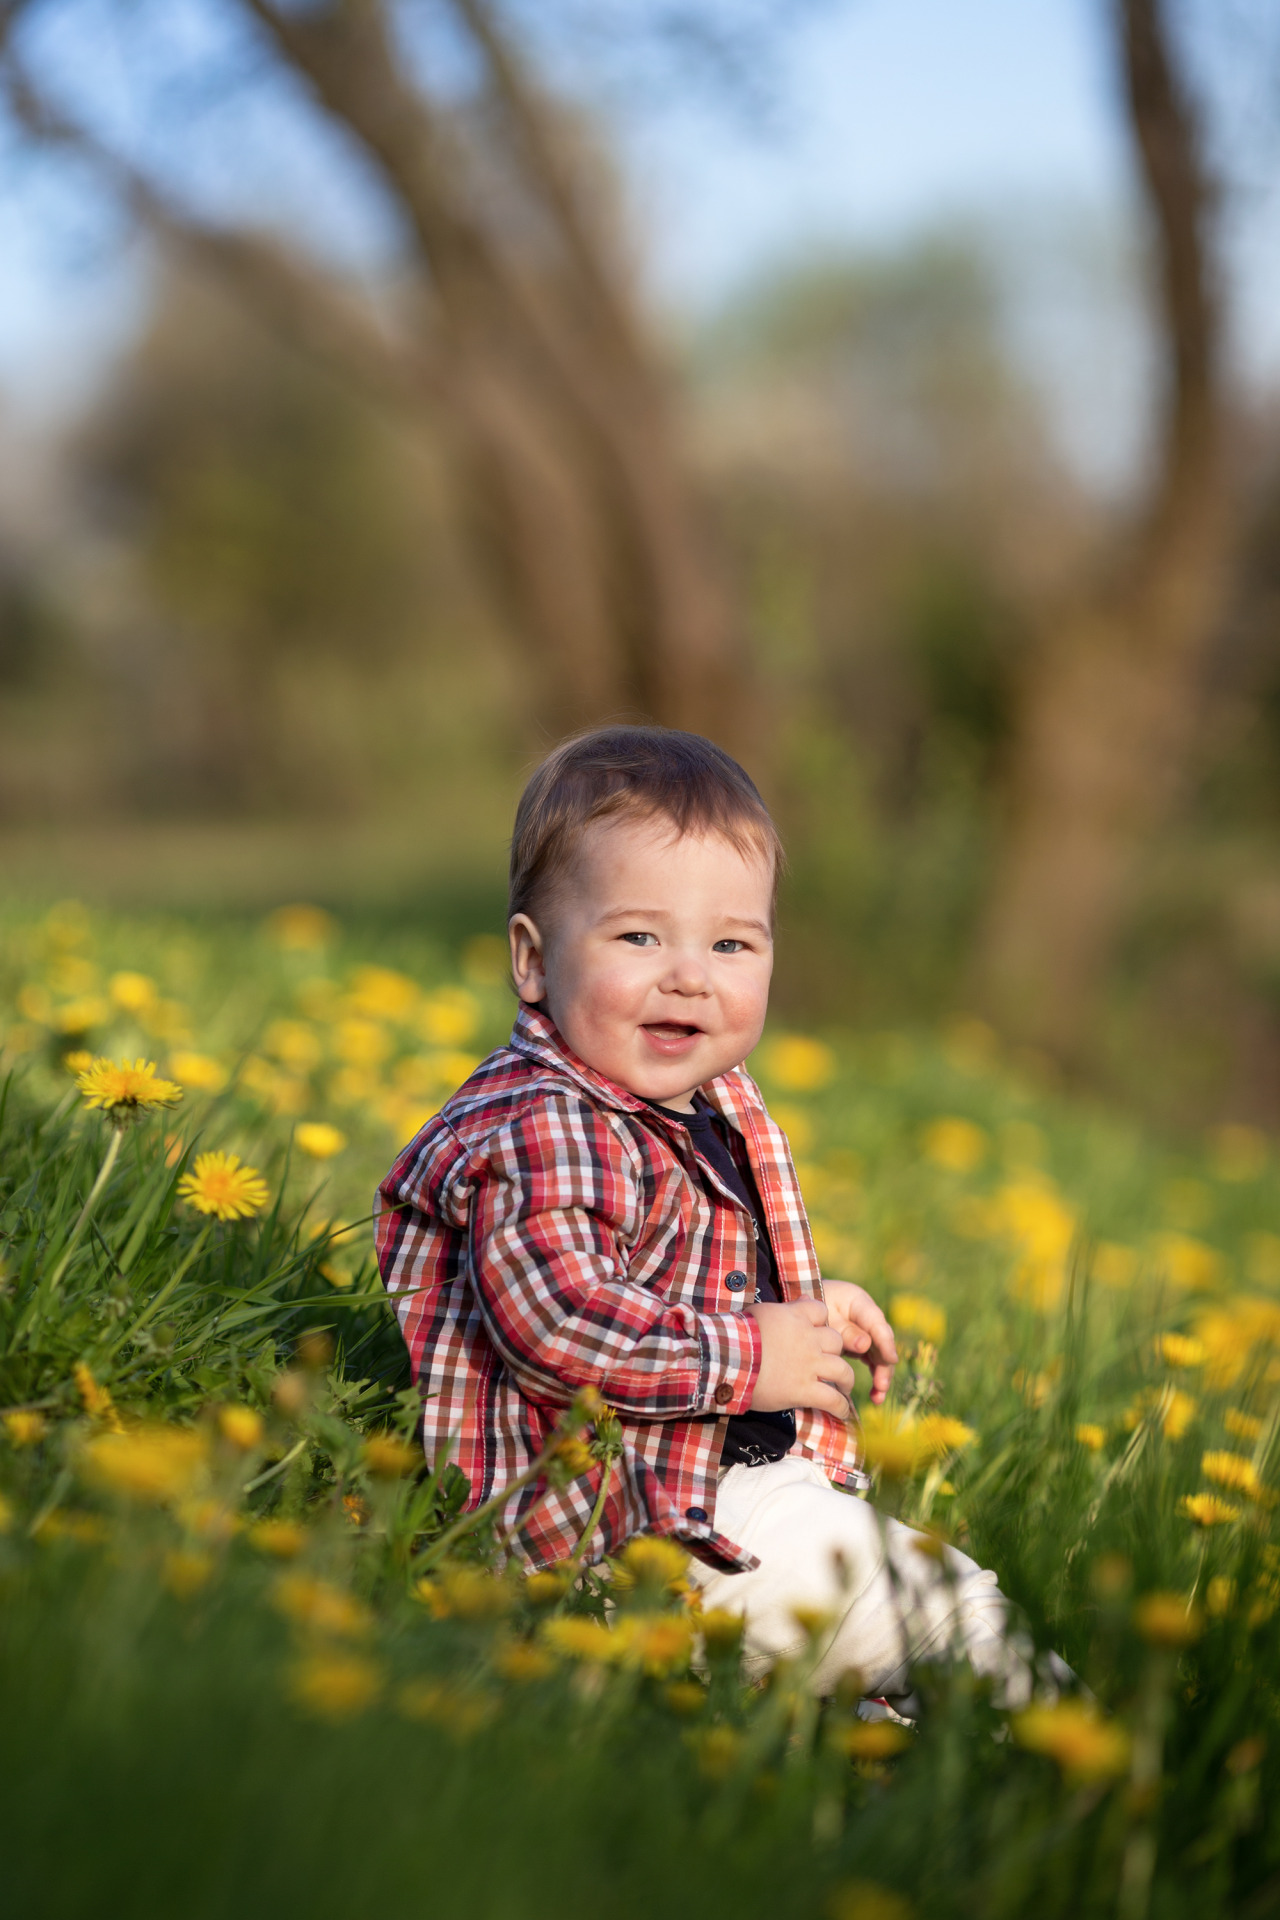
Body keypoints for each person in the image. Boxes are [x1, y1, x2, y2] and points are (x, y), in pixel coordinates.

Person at [375, 726, 1048, 1706]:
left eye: (730, 943)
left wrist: (800, 1308)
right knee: (948, 1616)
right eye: (638, 936)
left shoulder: (697, 1095)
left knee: (890, 1664)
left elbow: (672, 1271)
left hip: (698, 1499)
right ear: (532, 959)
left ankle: (903, 1782)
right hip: (628, 1533)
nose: (687, 973)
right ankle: (1089, 1800)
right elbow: (557, 1322)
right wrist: (748, 1356)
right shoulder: (547, 1121)